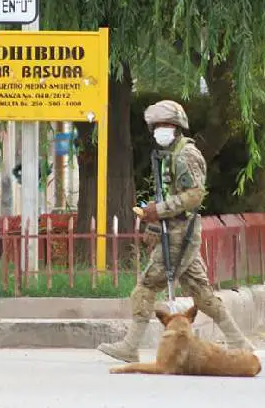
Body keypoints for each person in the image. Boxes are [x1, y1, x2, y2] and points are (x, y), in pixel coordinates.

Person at [97, 100, 254, 363]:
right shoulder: (171, 155)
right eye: (157, 126)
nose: (160, 130)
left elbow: (193, 196)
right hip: (177, 230)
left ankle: (130, 345)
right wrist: (155, 225)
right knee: (202, 293)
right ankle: (239, 341)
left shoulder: (185, 156)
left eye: (165, 125)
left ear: (177, 127)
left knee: (146, 287)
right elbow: (173, 197)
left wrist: (158, 211)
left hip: (181, 233)